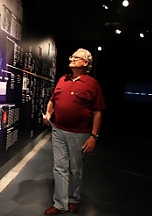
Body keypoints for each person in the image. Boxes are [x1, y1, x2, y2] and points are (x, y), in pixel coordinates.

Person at [43, 48, 106, 215]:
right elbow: (52, 101)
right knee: (59, 167)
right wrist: (49, 113)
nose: (71, 59)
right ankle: (60, 203)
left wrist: (93, 136)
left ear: (85, 63)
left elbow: (98, 112)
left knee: (76, 168)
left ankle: (73, 199)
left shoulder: (92, 84)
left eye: (76, 57)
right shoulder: (63, 79)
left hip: (80, 134)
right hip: (58, 130)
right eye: (71, 56)